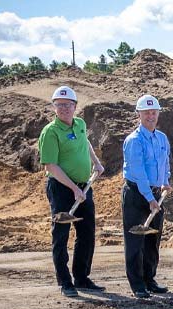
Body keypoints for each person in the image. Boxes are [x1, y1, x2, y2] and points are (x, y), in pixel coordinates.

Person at [38, 85, 106, 297]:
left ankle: (82, 277)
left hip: (84, 186)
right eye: (59, 105)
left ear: (75, 106)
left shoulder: (80, 124)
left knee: (86, 234)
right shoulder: (50, 132)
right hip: (61, 188)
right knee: (61, 235)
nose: (64, 109)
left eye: (68, 105)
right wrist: (74, 188)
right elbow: (51, 166)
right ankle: (65, 282)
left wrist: (96, 162)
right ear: (54, 108)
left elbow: (85, 143)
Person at [122, 94, 172, 299]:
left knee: (153, 239)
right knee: (135, 240)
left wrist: (166, 181)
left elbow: (165, 162)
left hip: (156, 193)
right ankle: (137, 284)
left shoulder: (162, 138)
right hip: (136, 194)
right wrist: (149, 198)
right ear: (139, 114)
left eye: (154, 112)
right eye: (147, 113)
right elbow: (139, 172)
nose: (151, 116)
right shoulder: (134, 141)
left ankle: (150, 279)